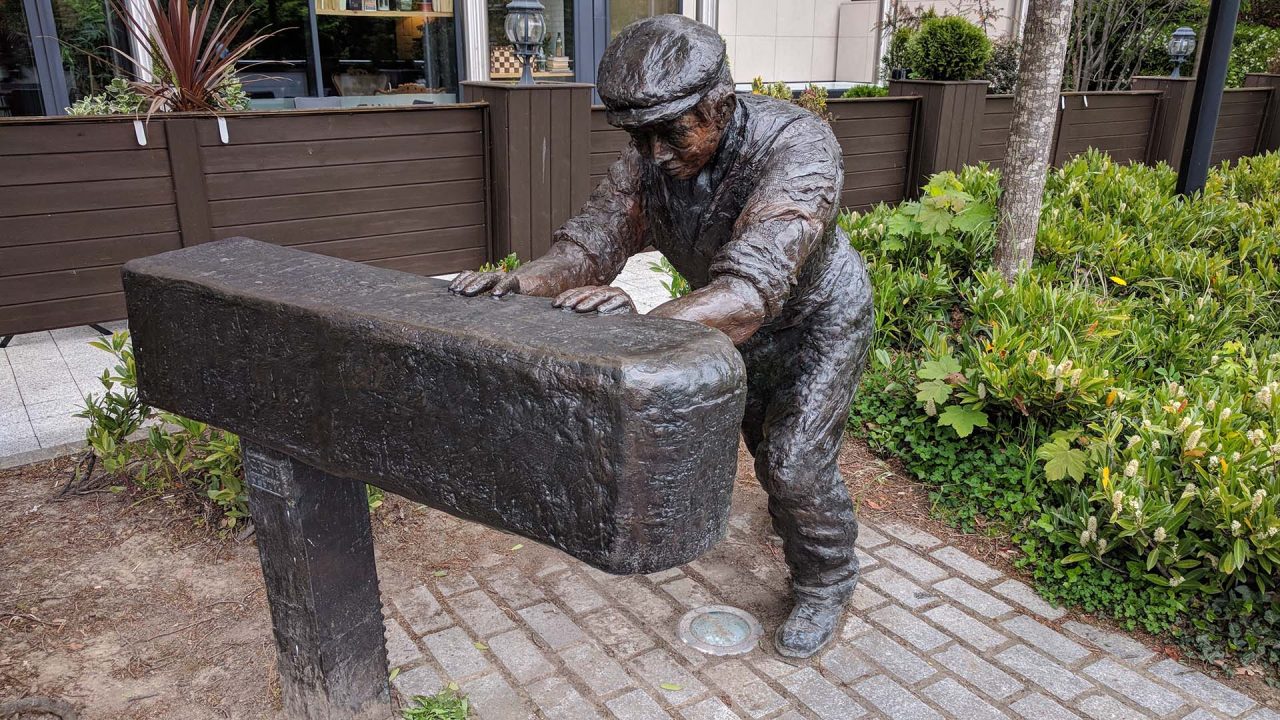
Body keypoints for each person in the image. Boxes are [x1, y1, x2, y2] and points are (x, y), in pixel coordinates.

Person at [450, 13, 873, 658]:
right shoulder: (652, 153)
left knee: (792, 463)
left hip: (815, 319)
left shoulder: (798, 147)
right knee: (765, 448)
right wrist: (519, 283)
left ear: (719, 104)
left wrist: (632, 331)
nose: (653, 155)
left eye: (670, 134)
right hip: (722, 318)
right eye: (638, 136)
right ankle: (796, 516)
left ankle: (828, 577)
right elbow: (593, 244)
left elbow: (749, 292)